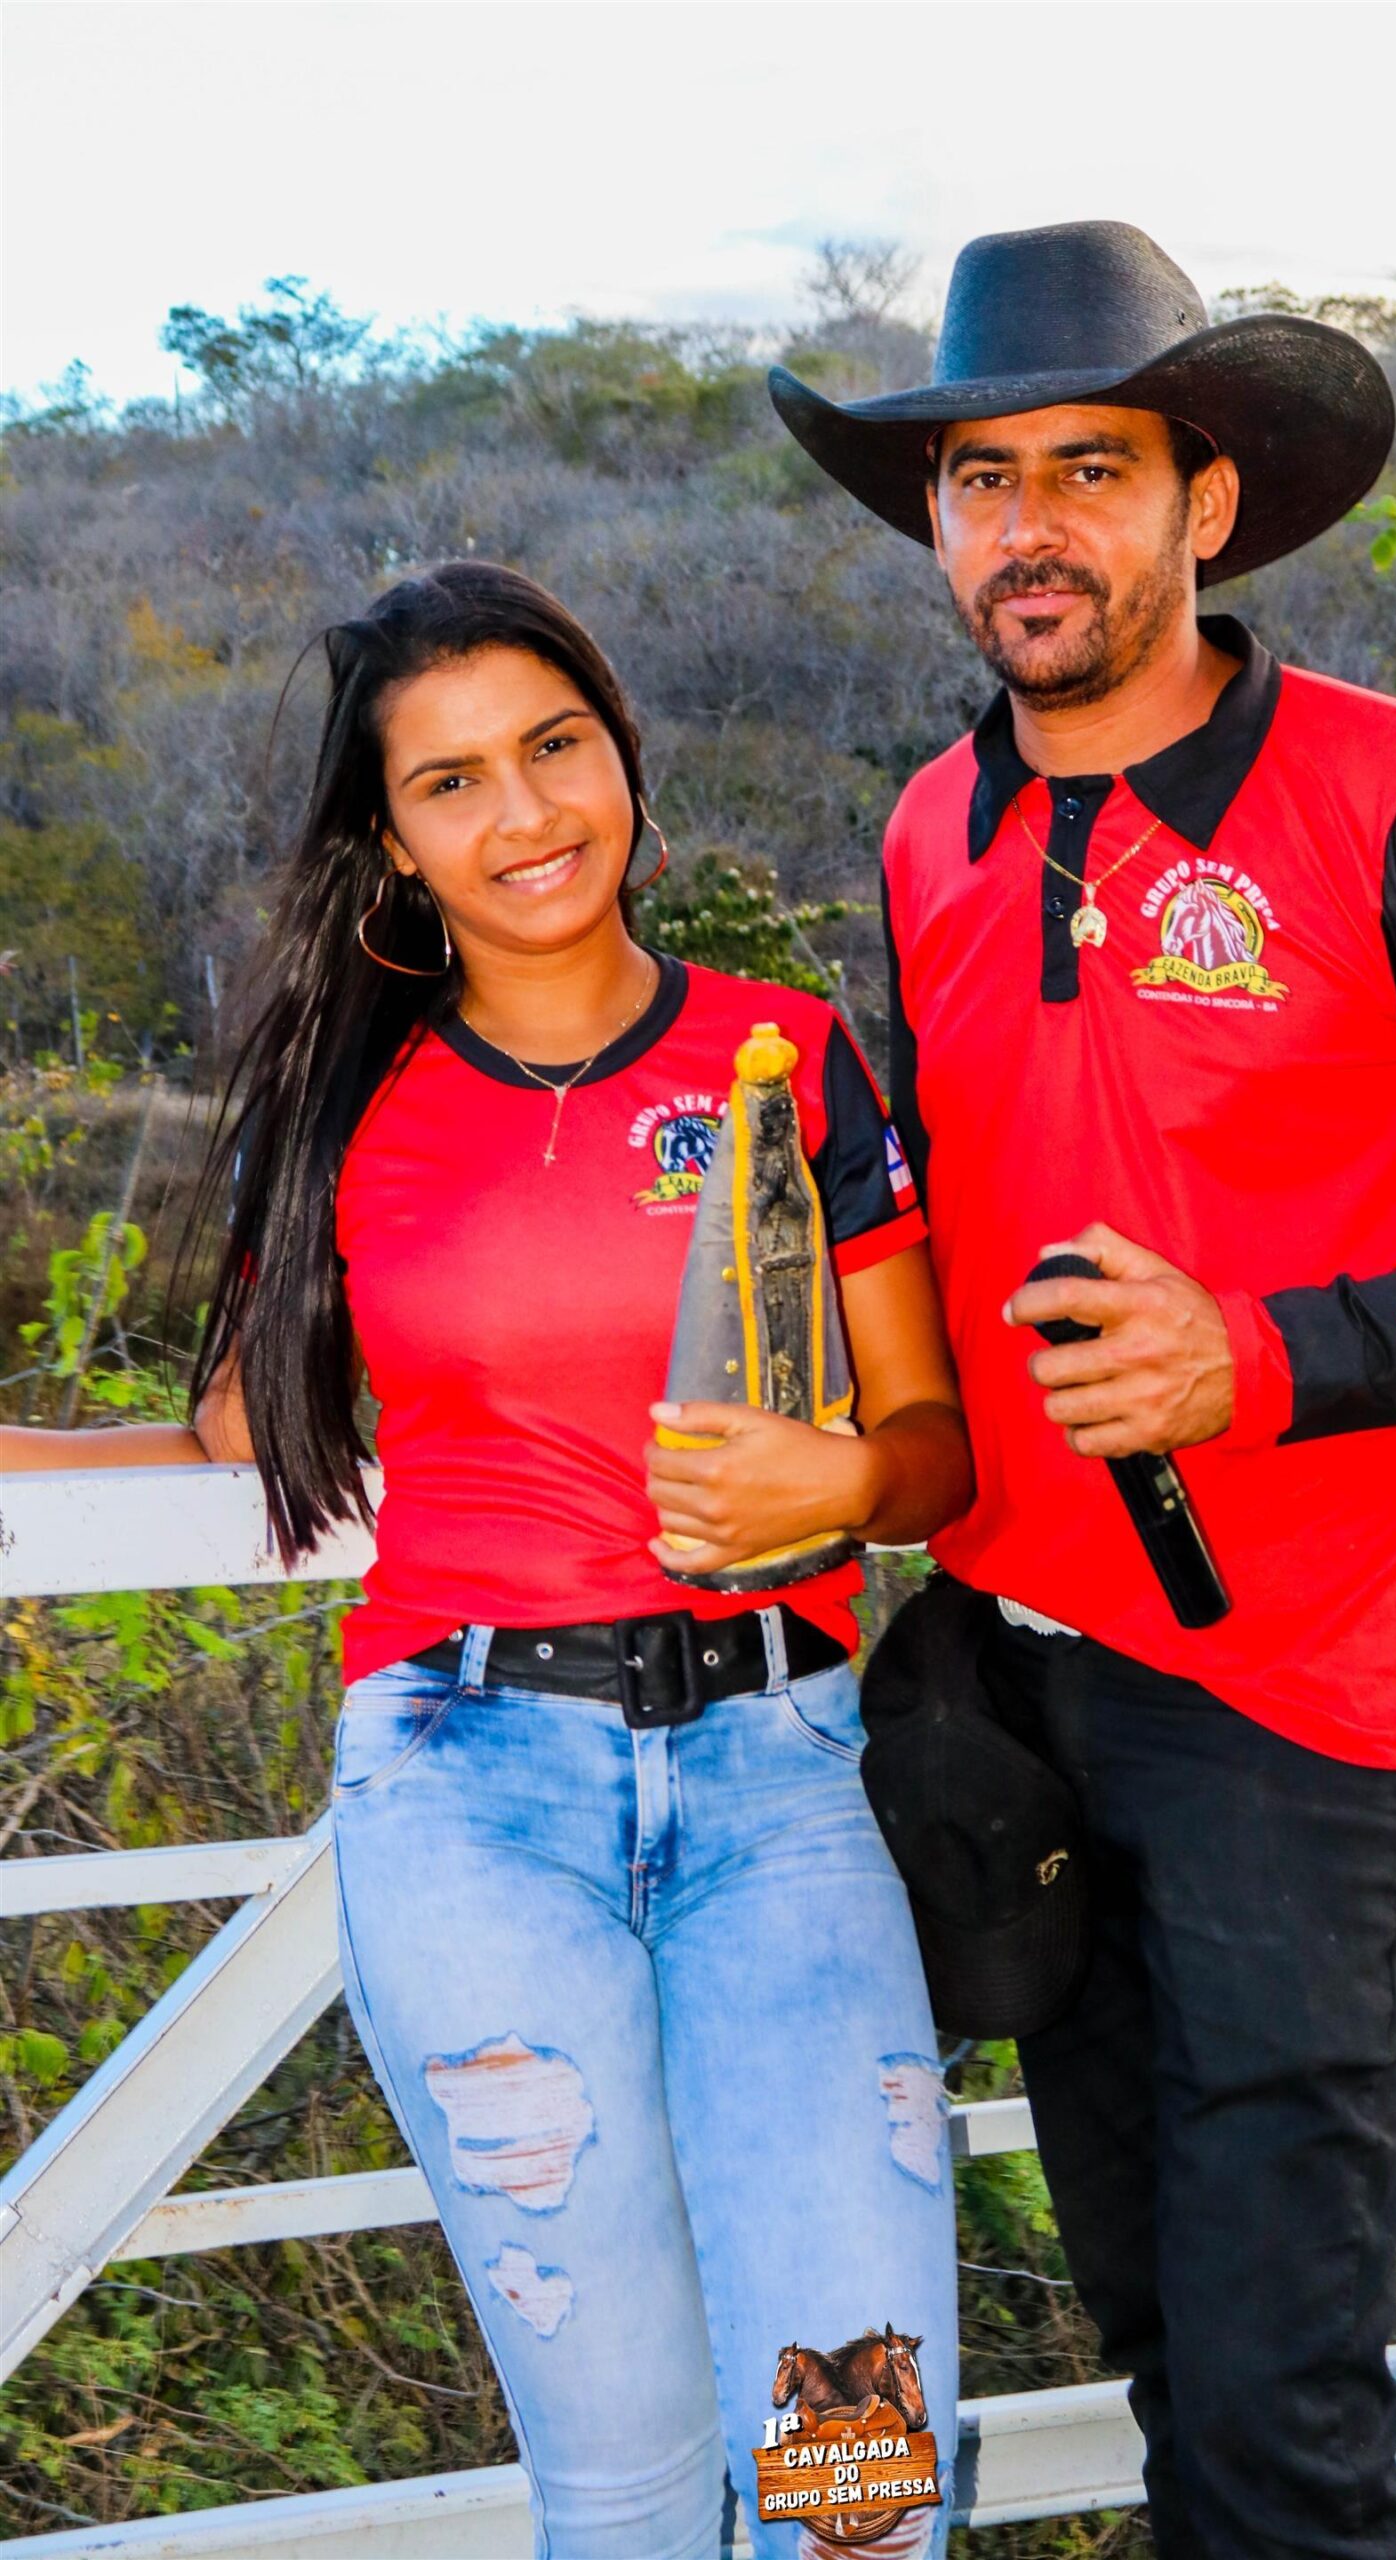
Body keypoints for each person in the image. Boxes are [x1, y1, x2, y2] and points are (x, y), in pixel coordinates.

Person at [769, 221, 1396, 2559]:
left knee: (1282, 2425)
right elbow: (935, 1233)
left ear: (1206, 500)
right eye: (978, 477)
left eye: (1088, 468)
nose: (1027, 526)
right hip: (1014, 1685)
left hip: (1291, 1711)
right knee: (1162, 2356)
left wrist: (1267, 1355)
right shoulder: (925, 824)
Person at [0, 562, 970, 2560]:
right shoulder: (346, 1106)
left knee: (858, 2486)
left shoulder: (786, 1054)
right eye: (451, 782)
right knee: (622, 2477)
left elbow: (934, 1446)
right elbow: (243, 1436)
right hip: (471, 1795)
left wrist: (845, 1478)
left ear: (622, 756)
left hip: (779, 1780)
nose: (523, 814)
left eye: (554, 747)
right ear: (393, 843)